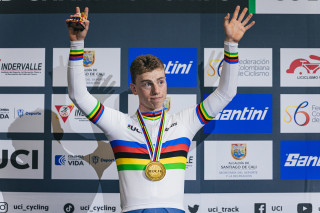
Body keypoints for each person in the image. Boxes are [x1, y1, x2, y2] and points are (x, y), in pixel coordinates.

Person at [66, 6, 254, 213]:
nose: (156, 90)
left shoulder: (185, 122)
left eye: (161, 82)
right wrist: (77, 43)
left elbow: (225, 93)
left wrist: (231, 45)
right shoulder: (119, 125)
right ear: (134, 89)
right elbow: (78, 95)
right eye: (147, 84)